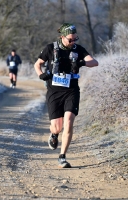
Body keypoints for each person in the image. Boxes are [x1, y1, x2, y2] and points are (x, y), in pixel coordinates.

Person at [34, 23, 98, 168]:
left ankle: (62, 157)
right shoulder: (50, 48)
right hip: (54, 92)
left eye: (75, 39)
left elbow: (95, 62)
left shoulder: (78, 49)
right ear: (62, 37)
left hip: (71, 91)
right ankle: (54, 134)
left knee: (69, 121)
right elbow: (37, 64)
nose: (73, 42)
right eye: (70, 39)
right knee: (57, 127)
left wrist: (81, 63)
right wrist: (41, 75)